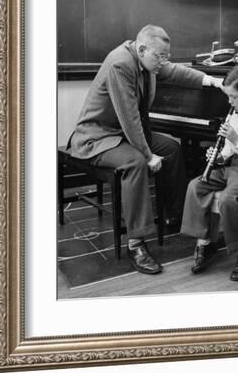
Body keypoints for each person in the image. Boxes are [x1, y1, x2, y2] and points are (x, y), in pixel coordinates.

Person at [69, 25, 224, 274]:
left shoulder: (148, 61)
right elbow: (130, 119)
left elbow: (175, 72)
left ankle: (175, 217)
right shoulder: (120, 64)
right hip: (97, 137)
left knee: (172, 149)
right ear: (142, 49)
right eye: (160, 56)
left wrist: (211, 80)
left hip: (121, 134)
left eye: (166, 56)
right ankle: (136, 243)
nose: (164, 62)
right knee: (136, 162)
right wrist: (149, 155)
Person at [180, 64, 238, 281]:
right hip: (231, 167)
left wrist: (235, 139)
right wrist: (219, 156)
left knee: (227, 199)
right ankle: (206, 242)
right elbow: (229, 150)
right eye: (228, 96)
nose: (229, 102)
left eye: (233, 97)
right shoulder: (234, 114)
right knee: (195, 185)